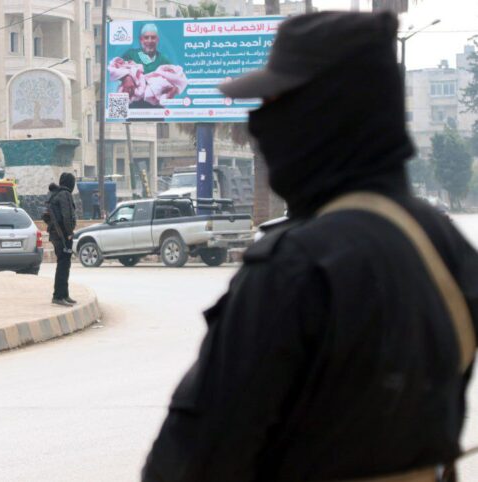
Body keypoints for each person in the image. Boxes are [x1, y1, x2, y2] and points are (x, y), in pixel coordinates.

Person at [143, 12, 478, 482]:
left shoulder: (295, 267)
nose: (261, 124)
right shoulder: (442, 244)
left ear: (325, 112)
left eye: (278, 102)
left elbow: (193, 460)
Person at [47, 173, 77, 307]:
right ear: (70, 183)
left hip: (56, 234)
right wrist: (69, 233)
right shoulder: (65, 195)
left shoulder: (55, 194)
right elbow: (67, 215)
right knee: (63, 265)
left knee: (64, 264)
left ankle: (64, 294)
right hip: (62, 235)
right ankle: (58, 296)